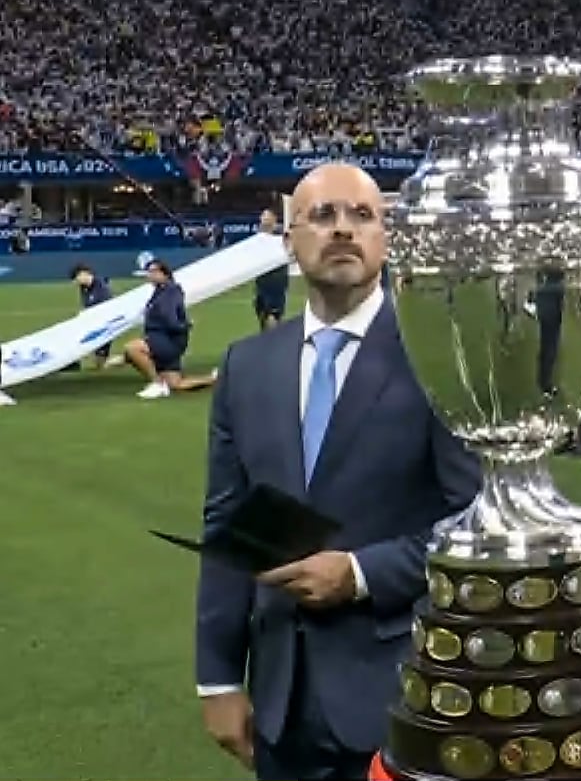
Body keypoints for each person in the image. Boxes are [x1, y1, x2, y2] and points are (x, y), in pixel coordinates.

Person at [194, 163, 480, 781]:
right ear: (289, 241)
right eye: (323, 216)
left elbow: (478, 524)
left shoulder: (441, 355)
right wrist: (217, 677)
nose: (343, 230)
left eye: (362, 215)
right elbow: (226, 526)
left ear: (386, 236)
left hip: (408, 698)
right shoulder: (247, 366)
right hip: (281, 705)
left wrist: (359, 574)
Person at [125, 259, 216, 399]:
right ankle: (214, 379)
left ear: (165, 274)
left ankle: (157, 384)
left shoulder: (170, 291)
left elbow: (170, 318)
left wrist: (183, 326)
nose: (150, 275)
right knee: (175, 384)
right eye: (149, 272)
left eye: (154, 271)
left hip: (166, 341)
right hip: (169, 341)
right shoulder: (162, 291)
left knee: (132, 348)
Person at [71, 263, 118, 369]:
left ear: (84, 274)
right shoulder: (84, 287)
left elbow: (106, 307)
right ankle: (73, 362)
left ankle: (127, 358)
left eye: (76, 277)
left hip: (104, 324)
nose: (76, 281)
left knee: (101, 364)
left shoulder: (101, 288)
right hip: (93, 323)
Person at [253, 209, 291, 332]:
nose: (264, 218)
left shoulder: (281, 234)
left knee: (273, 317)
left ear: (274, 219)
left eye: (267, 216)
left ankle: (274, 342)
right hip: (262, 282)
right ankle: (270, 342)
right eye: (263, 216)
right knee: (263, 317)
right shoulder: (258, 236)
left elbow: (289, 250)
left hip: (276, 282)